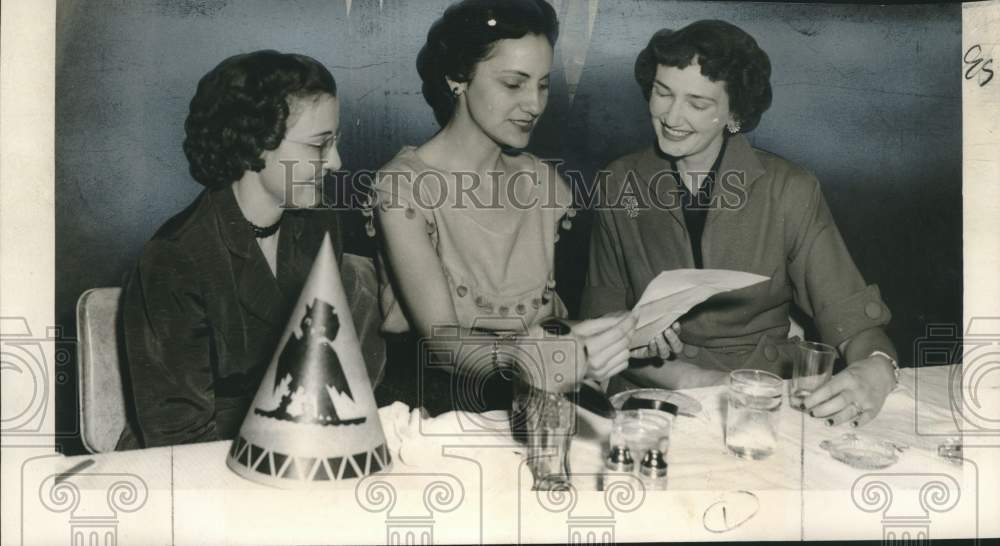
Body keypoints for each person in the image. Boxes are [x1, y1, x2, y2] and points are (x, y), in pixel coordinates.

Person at [581, 20, 899, 427]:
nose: (671, 116)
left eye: (697, 103)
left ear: (734, 113)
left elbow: (855, 323)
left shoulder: (790, 189)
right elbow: (598, 328)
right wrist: (677, 367)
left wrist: (877, 368)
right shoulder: (617, 183)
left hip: (763, 397)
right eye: (663, 93)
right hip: (653, 397)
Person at [371, 0, 634, 413]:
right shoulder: (402, 188)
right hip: (438, 408)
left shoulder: (543, 183)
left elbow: (544, 328)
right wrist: (534, 355)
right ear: (458, 79)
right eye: (514, 84)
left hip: (537, 399)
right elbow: (444, 344)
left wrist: (611, 332)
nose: (534, 104)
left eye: (543, 84)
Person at [119, 50, 384, 448]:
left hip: (297, 443)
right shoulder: (175, 258)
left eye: (336, 142)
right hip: (199, 461)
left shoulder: (318, 223)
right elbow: (177, 440)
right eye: (319, 145)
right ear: (257, 144)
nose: (336, 163)